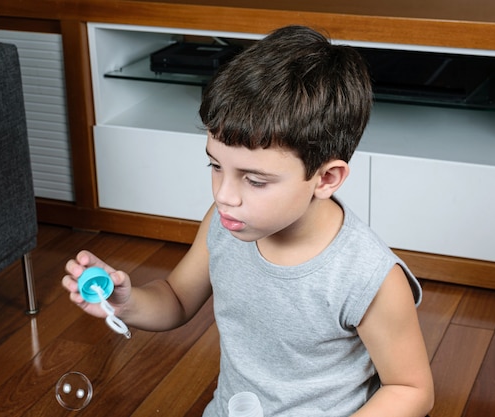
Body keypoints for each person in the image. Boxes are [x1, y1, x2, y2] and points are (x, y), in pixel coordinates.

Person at [62, 25, 434, 417]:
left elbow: (410, 389)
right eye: (215, 165)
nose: (224, 194)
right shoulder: (225, 222)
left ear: (325, 178)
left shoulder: (367, 277)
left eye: (255, 180)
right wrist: (128, 302)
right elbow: (176, 298)